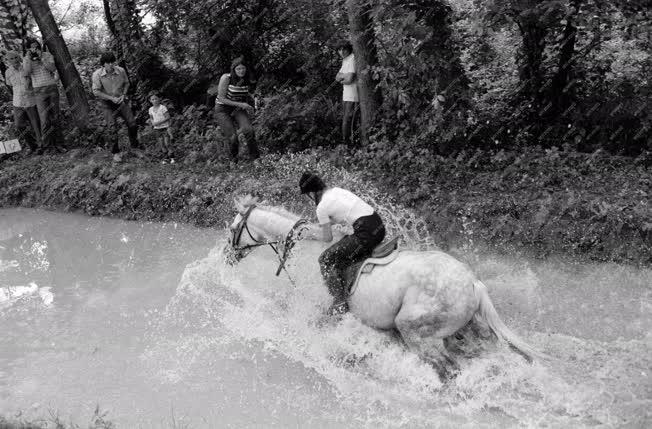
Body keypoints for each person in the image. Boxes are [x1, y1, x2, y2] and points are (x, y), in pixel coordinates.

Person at [299, 172, 386, 316]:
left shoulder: (321, 207)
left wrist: (309, 236)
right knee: (345, 252)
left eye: (308, 195)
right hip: (379, 227)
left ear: (312, 192)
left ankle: (339, 302)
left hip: (365, 234)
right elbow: (337, 218)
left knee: (325, 259)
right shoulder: (338, 191)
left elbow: (327, 238)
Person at [91, 51, 141, 161]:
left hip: (120, 99)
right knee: (112, 127)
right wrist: (111, 98)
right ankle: (116, 152)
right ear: (103, 64)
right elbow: (96, 92)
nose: (111, 65)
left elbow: (127, 83)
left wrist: (123, 95)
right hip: (107, 103)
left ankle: (135, 147)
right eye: (108, 63)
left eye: (112, 62)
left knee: (132, 123)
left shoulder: (121, 71)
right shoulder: (97, 74)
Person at [215, 57, 260, 162]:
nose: (241, 71)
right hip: (223, 108)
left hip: (238, 108)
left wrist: (254, 98)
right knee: (233, 137)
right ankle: (233, 160)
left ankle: (256, 159)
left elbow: (246, 93)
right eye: (238, 69)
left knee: (249, 130)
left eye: (243, 68)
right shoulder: (226, 78)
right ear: (234, 69)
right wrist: (242, 104)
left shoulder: (246, 79)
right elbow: (221, 98)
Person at [22, 39, 63, 151]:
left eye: (37, 46)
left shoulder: (47, 54)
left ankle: (60, 143)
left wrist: (41, 57)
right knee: (44, 119)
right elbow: (26, 73)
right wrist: (29, 59)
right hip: (38, 90)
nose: (36, 49)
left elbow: (52, 68)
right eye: (33, 47)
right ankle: (48, 146)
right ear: (28, 49)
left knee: (56, 117)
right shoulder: (26, 59)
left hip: (51, 87)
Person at [4, 51, 42, 154]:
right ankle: (32, 146)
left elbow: (34, 80)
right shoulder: (7, 72)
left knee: (36, 125)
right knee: (19, 125)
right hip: (18, 102)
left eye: (16, 57)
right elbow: (10, 85)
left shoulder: (26, 68)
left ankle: (41, 146)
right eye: (11, 58)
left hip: (30, 100)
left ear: (19, 57)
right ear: (7, 61)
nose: (14, 60)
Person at [335, 41, 358, 146]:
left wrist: (342, 78)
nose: (342, 52)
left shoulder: (352, 58)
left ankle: (348, 144)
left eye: (344, 49)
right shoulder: (345, 60)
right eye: (339, 50)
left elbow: (349, 79)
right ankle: (346, 144)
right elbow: (337, 77)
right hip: (346, 94)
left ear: (349, 49)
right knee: (346, 119)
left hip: (353, 95)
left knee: (348, 120)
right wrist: (343, 78)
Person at [148, 91, 174, 164]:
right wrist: (153, 122)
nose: (154, 100)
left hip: (165, 127)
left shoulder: (163, 107)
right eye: (152, 99)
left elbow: (168, 117)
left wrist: (160, 122)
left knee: (167, 143)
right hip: (157, 129)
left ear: (159, 99)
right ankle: (166, 158)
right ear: (150, 101)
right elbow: (151, 118)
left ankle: (172, 157)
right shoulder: (150, 109)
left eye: (156, 99)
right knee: (162, 144)